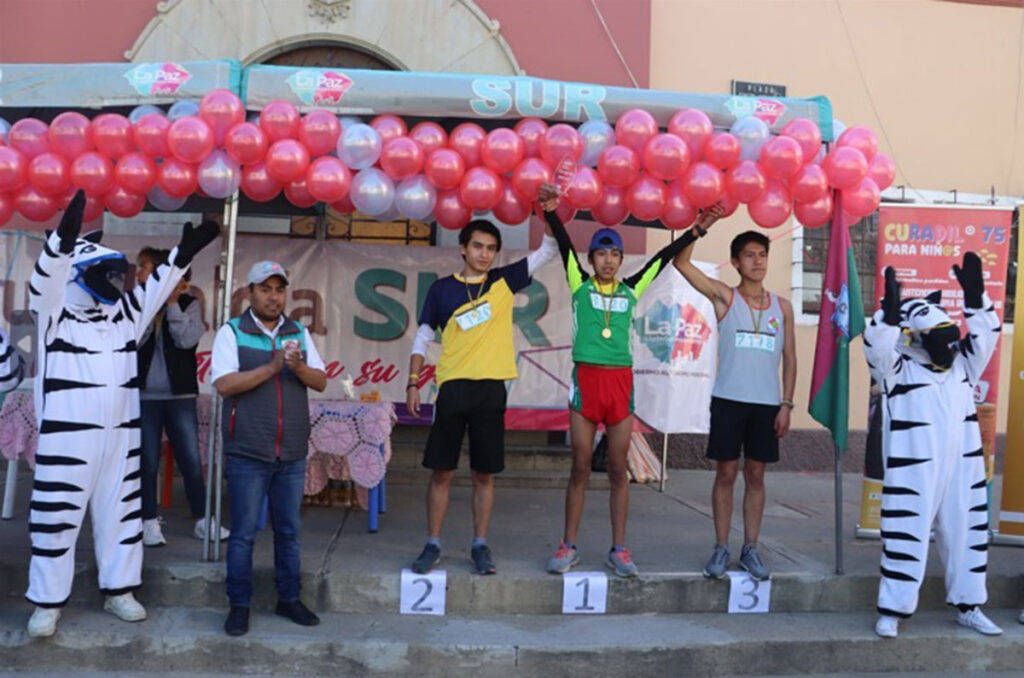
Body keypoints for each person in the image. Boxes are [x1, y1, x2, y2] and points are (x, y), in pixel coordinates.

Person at [25, 190, 218, 638]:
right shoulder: (53, 317)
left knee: (123, 516)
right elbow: (45, 283)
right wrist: (61, 244)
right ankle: (47, 602)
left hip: (119, 440)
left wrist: (181, 256)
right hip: (67, 443)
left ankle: (120, 589)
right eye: (105, 274)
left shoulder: (123, 318)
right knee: (55, 520)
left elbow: (156, 290)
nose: (116, 281)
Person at [538, 184, 721, 578]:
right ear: (591, 258)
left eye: (614, 254)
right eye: (601, 253)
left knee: (619, 470)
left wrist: (698, 228)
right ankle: (568, 545)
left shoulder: (632, 287)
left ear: (621, 259)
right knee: (580, 467)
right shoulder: (579, 283)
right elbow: (565, 244)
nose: (608, 260)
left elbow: (663, 258)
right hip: (587, 384)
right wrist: (551, 211)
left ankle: (619, 549)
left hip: (619, 386)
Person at [406, 219, 558, 575]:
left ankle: (480, 544)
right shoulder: (442, 289)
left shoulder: (503, 281)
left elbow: (549, 250)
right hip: (452, 389)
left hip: (490, 390)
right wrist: (413, 382)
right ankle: (433, 543)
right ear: (463, 248)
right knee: (441, 471)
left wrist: (548, 211)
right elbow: (422, 338)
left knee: (484, 474)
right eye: (477, 246)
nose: (484, 254)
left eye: (491, 248)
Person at [865, 258, 1002, 638]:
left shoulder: (963, 367)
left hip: (963, 467)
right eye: (939, 340)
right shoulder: (897, 370)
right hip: (914, 470)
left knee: (967, 534)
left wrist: (975, 298)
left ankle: (969, 606)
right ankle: (892, 610)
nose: (949, 348)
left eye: (950, 338)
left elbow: (986, 337)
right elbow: (876, 350)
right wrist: (889, 318)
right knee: (905, 534)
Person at [211, 260, 327, 637]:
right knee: (243, 534)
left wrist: (298, 367)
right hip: (247, 450)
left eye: (279, 290)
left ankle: (289, 598)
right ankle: (239, 605)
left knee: (289, 533)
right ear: (250, 293)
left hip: (291, 451)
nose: (273, 297)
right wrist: (273, 367)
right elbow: (224, 385)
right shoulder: (232, 331)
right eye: (265, 289)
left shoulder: (298, 332)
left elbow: (321, 381)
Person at [675, 224, 796, 582]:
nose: (758, 261)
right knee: (726, 473)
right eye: (749, 255)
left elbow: (790, 358)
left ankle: (751, 548)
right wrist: (700, 228)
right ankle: (721, 547)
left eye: (763, 255)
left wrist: (786, 404)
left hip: (766, 405)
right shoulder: (725, 297)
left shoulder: (783, 307)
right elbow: (682, 264)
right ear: (735, 262)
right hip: (728, 401)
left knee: (756, 475)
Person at [136, 247, 228, 546]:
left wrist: (173, 304)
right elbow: (131, 341)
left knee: (190, 459)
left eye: (145, 267)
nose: (139, 272)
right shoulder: (138, 302)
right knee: (148, 461)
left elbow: (187, 340)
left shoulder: (190, 303)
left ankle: (203, 519)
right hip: (144, 396)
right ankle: (148, 521)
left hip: (180, 395)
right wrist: (152, 309)